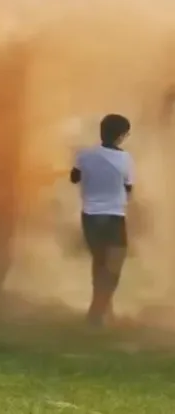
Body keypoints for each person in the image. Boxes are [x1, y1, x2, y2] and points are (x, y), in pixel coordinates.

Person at [70, 113, 134, 326]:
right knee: (113, 267)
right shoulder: (124, 158)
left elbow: (74, 177)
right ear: (122, 135)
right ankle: (96, 313)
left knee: (100, 263)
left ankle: (105, 311)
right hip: (114, 216)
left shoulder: (84, 155)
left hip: (89, 216)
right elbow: (128, 187)